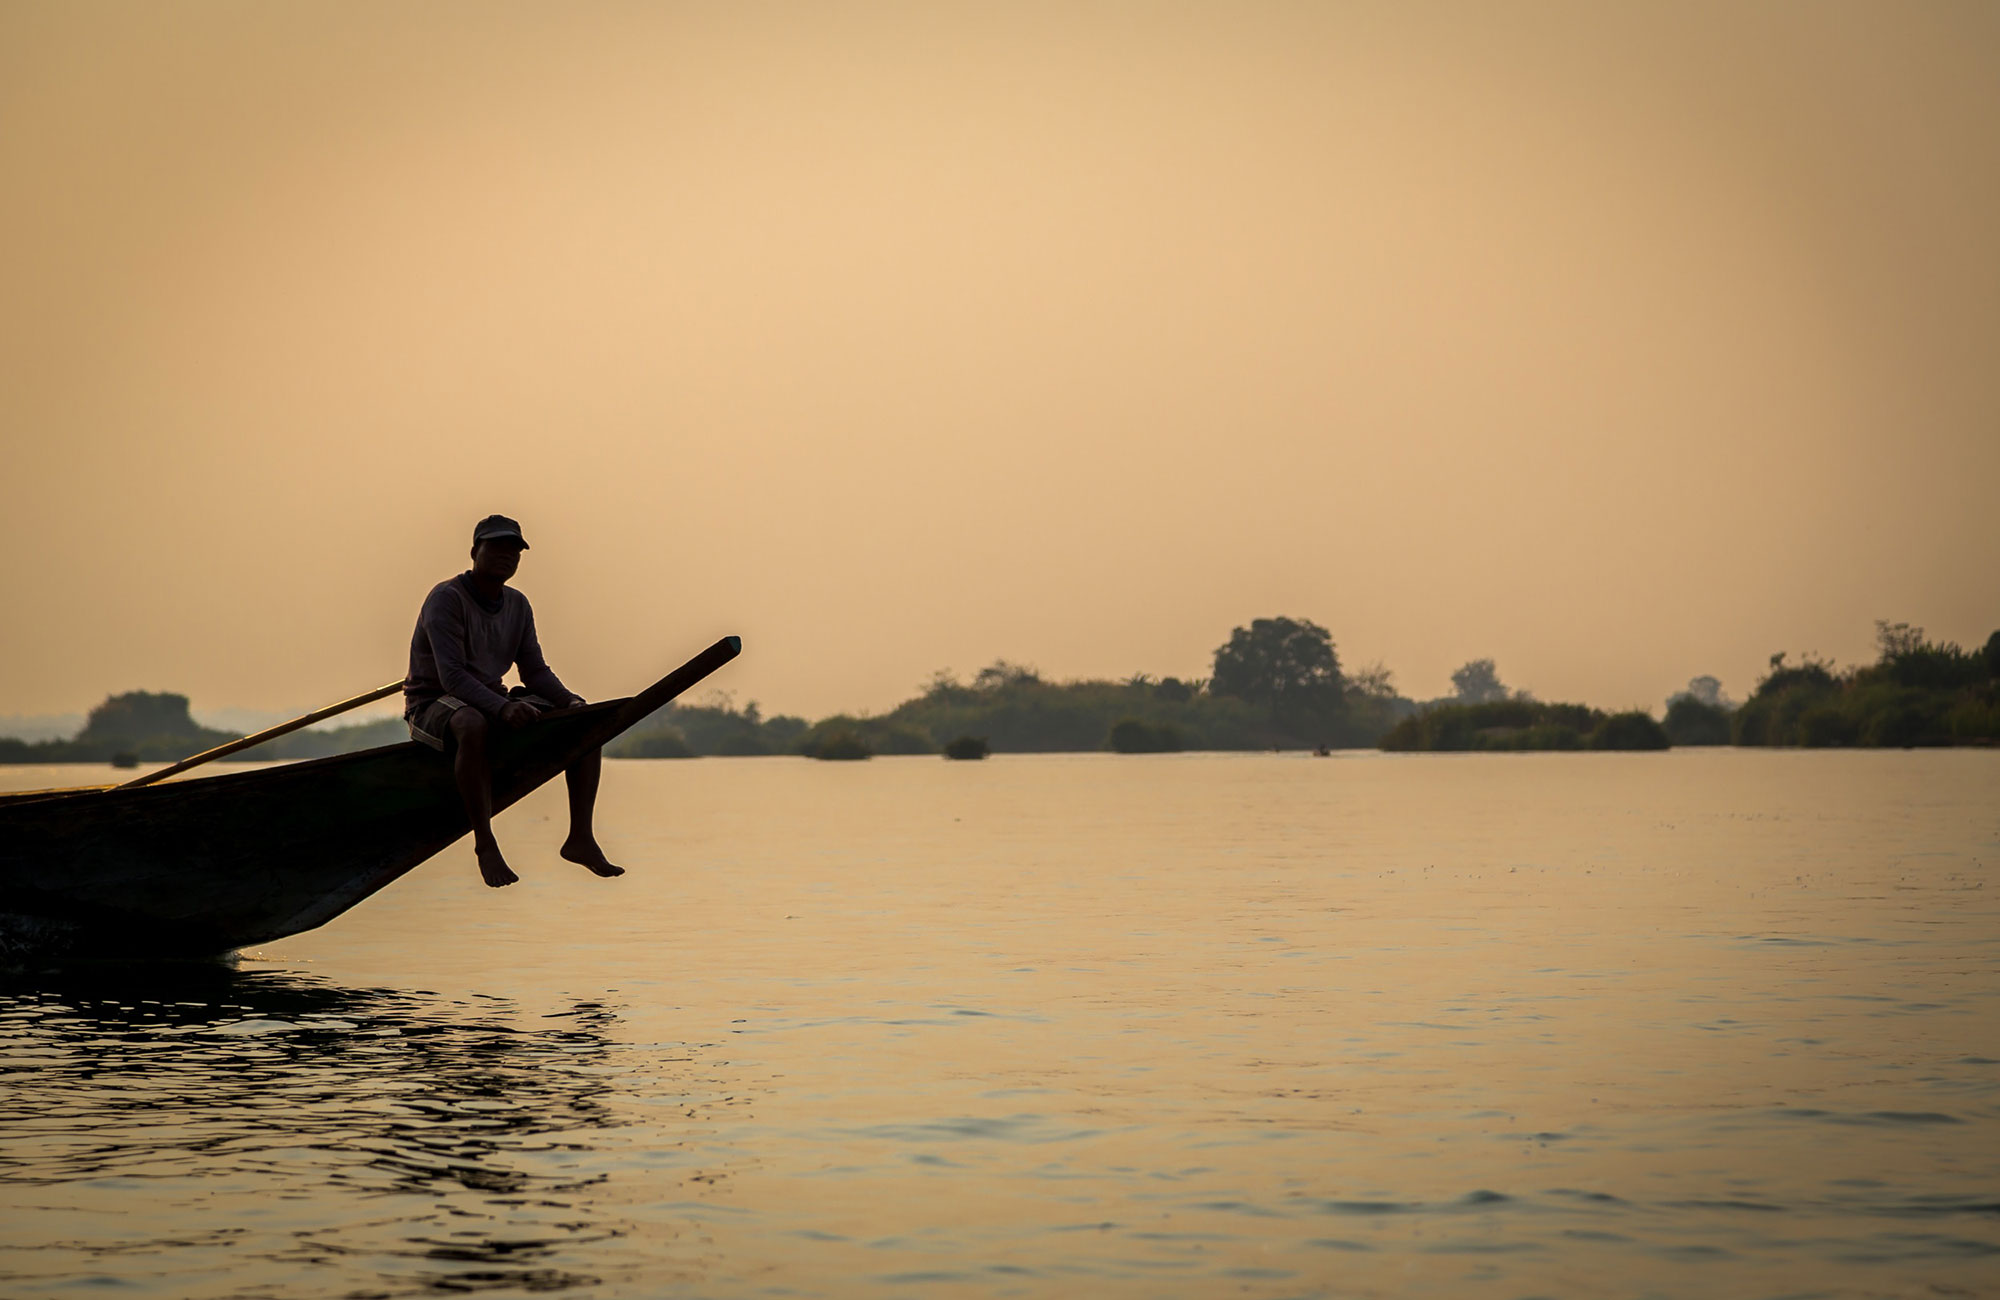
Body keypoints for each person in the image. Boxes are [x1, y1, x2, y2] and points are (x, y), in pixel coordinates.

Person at [403, 514, 623, 888]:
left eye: (514, 550)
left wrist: (569, 701)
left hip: (487, 700)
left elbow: (534, 671)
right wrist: (503, 708)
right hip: (434, 703)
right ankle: (484, 843)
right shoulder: (447, 599)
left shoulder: (518, 605)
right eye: (496, 548)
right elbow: (452, 677)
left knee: (585, 720)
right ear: (475, 552)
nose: (506, 556)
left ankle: (580, 837)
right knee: (471, 723)